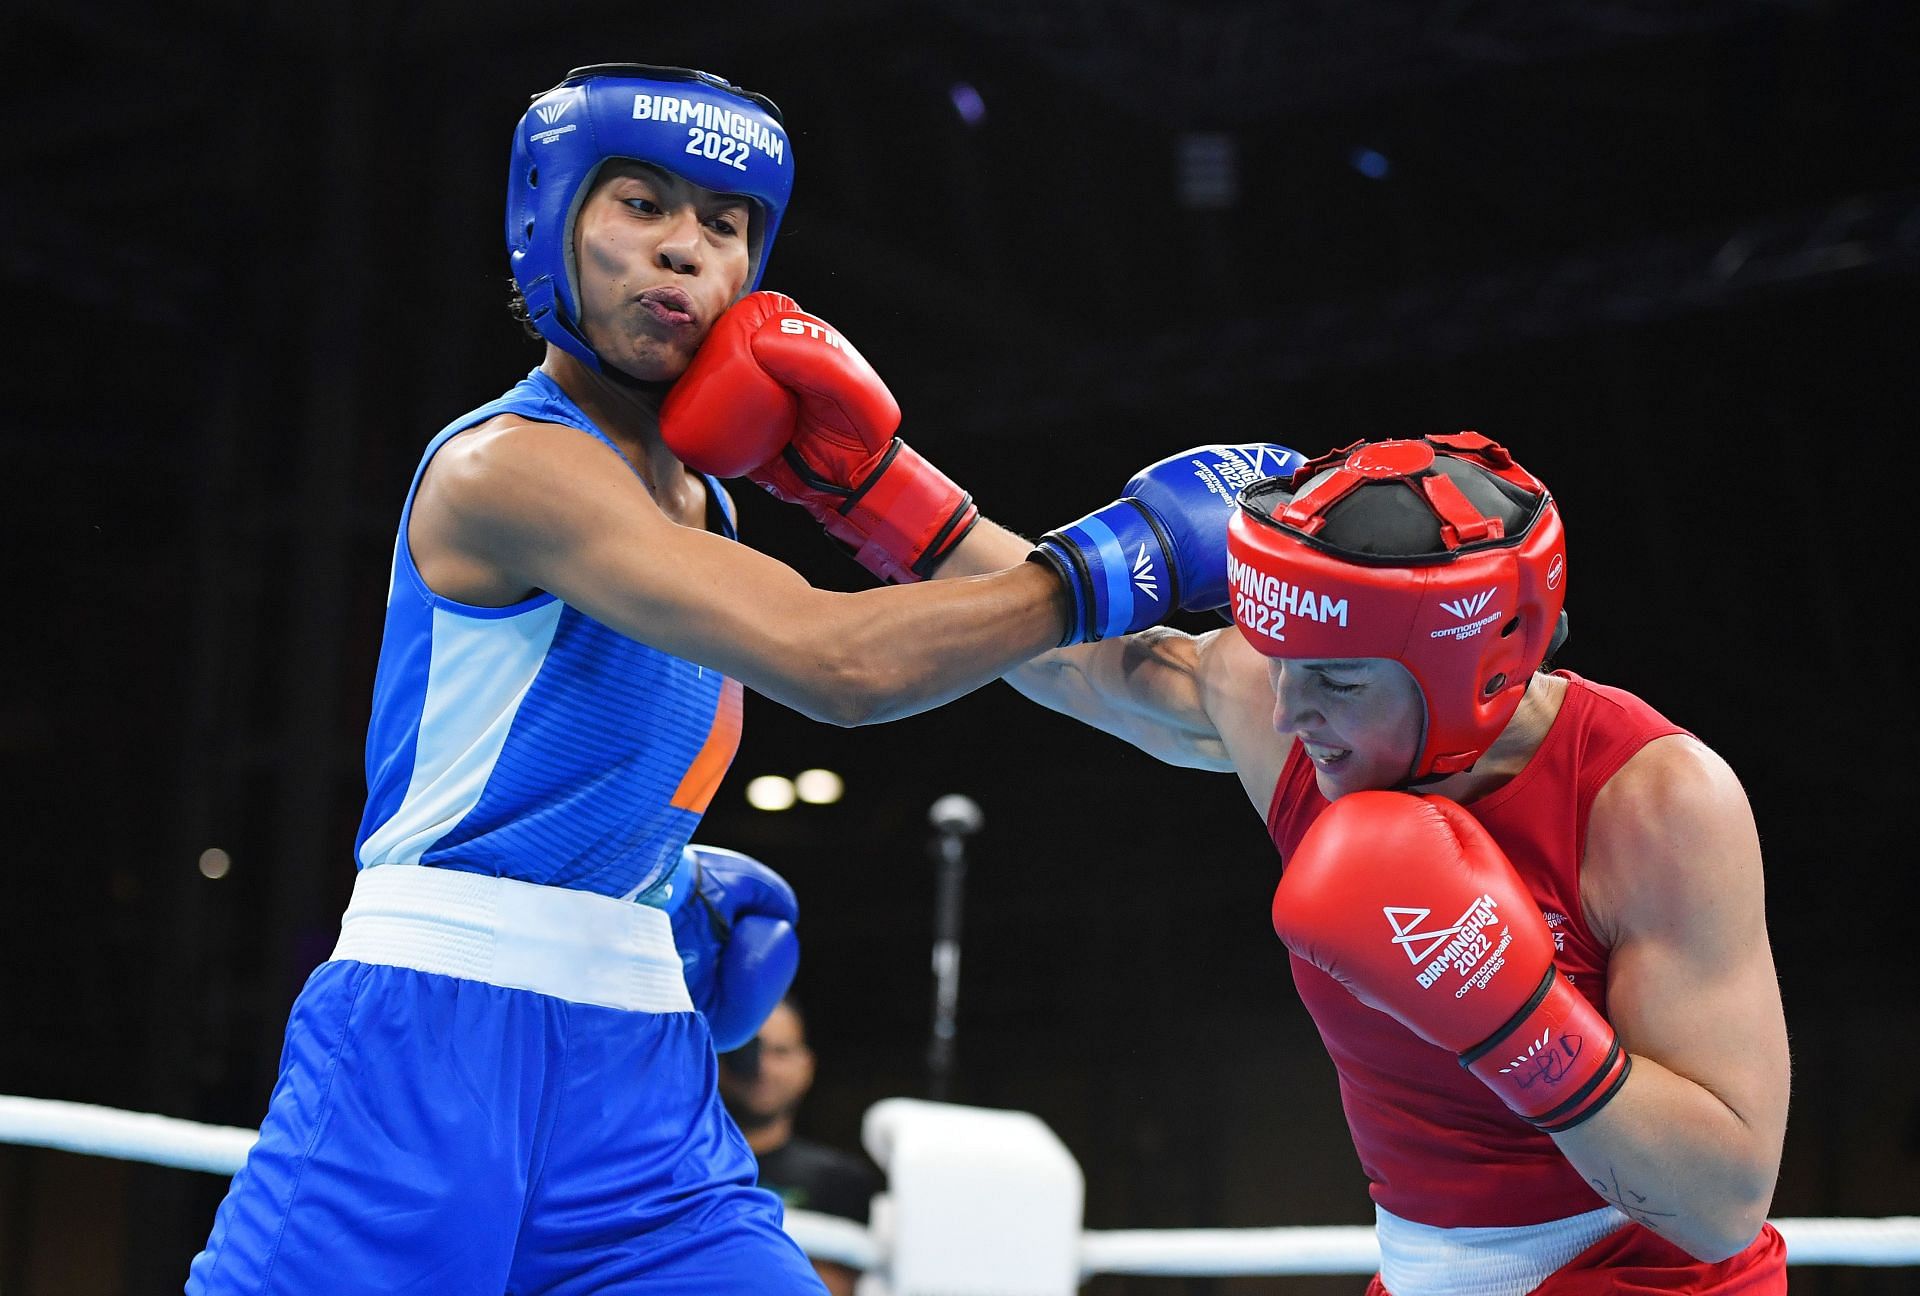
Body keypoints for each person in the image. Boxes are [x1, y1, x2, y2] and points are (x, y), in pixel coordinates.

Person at [187, 61, 1279, 1294]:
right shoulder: (508, 469)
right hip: (426, 1048)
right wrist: (1111, 559)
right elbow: (841, 665)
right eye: (640, 204)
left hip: (642, 1086)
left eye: (723, 223)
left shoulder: (709, 511)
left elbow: (1116, 691)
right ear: (551, 222)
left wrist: (897, 500)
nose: (682, 252)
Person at [782, 431, 1789, 1292]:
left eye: (1340, 682)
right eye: (1284, 661)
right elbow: (1063, 656)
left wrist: (1517, 1019)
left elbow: (1720, 1204)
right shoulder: (1291, 707)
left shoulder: (1652, 804)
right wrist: (870, 484)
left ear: (1475, 670)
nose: (1290, 710)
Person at [719, 997, 883, 1296]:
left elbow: (834, 1286)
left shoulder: (842, 1181)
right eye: (749, 1049)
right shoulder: (678, 1170)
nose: (763, 1067)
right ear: (718, 1058)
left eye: (780, 1052)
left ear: (806, 1066)